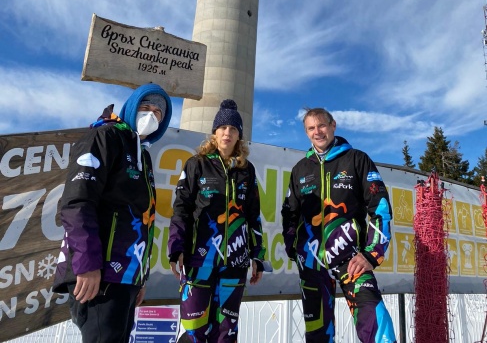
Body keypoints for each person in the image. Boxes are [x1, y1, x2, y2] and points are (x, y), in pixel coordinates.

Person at [53, 83, 172, 343]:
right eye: (145, 107)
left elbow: (144, 220)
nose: (151, 115)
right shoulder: (105, 136)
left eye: (158, 112)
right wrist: (87, 264)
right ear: (131, 106)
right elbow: (77, 202)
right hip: (98, 272)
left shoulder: (143, 156)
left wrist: (139, 279)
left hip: (126, 277)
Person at [281, 107, 396, 343]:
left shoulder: (357, 159)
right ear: (306, 133)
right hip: (313, 264)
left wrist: (372, 254)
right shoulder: (300, 170)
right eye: (311, 128)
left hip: (352, 261)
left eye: (322, 125)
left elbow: (380, 207)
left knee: (378, 326)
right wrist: (294, 249)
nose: (317, 132)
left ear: (333, 125)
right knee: (318, 335)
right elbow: (289, 213)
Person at [168, 99, 266, 343]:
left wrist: (258, 256)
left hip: (235, 261)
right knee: (194, 331)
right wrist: (176, 248)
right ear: (214, 132)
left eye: (233, 129)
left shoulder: (247, 170)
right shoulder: (196, 164)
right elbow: (181, 208)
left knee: (226, 333)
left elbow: (253, 216)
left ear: (239, 136)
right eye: (223, 128)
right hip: (199, 260)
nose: (227, 133)